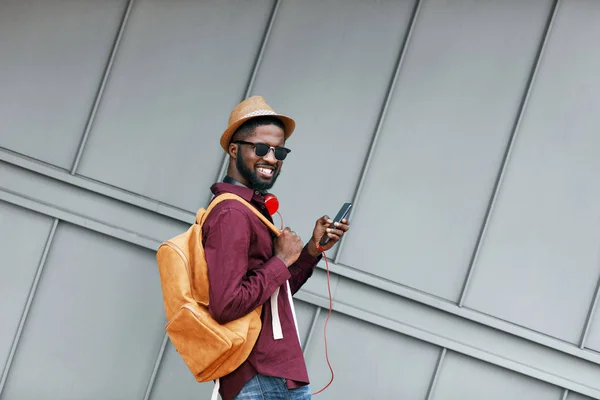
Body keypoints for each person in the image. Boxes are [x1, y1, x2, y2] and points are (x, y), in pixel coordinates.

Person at [202, 96, 350, 400]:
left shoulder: (250, 210)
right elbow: (226, 304)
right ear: (234, 149)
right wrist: (281, 258)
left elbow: (269, 296)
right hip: (260, 375)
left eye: (279, 150)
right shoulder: (232, 214)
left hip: (272, 373)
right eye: (260, 148)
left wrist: (309, 251)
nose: (271, 158)